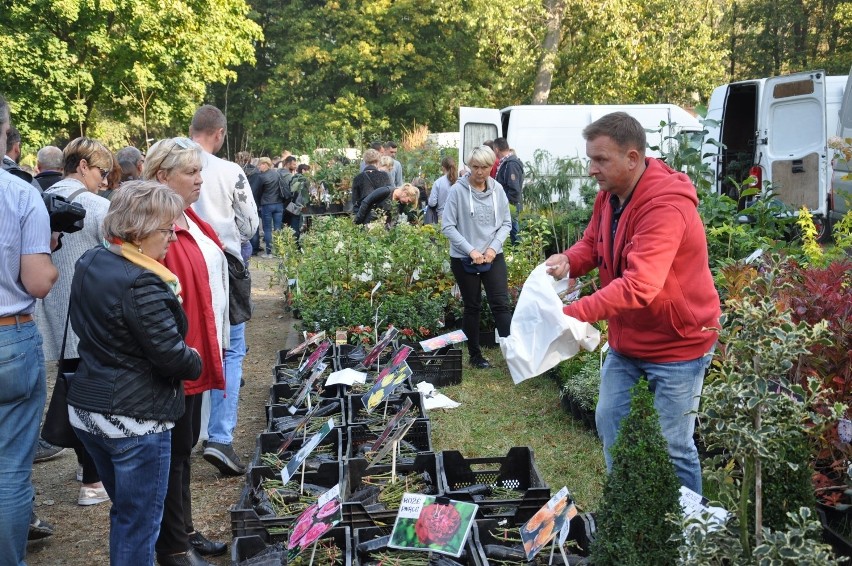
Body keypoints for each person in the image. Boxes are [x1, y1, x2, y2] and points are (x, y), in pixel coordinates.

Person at [544, 112, 721, 494]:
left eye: (601, 160)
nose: (592, 169)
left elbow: (640, 285)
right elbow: (593, 243)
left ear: (633, 157)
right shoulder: (610, 197)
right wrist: (569, 260)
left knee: (673, 446)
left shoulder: (665, 206)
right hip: (629, 341)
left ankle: (688, 534)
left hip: (678, 344)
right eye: (590, 159)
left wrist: (571, 313)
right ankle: (628, 506)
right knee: (610, 420)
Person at [68, 180, 202, 565]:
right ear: (137, 232)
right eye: (166, 229)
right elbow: (173, 358)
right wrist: (195, 358)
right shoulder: (143, 282)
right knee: (140, 522)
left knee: (127, 514)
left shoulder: (93, 260)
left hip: (91, 411)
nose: (173, 238)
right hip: (135, 419)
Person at [143, 137, 229, 565]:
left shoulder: (186, 217)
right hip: (176, 357)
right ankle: (172, 546)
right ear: (163, 176)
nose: (200, 179)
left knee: (185, 447)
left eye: (199, 171)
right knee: (174, 452)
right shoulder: (155, 227)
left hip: (194, 350)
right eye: (190, 173)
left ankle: (185, 531)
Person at [36, 136, 114, 507]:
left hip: (53, 315)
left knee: (72, 386)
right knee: (92, 398)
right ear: (82, 166)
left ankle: (87, 469)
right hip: (91, 319)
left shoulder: (37, 200)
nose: (104, 180)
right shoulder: (98, 207)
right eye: (101, 171)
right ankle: (93, 480)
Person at [0, 94, 59, 566]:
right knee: (9, 471)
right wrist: (49, 249)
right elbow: (39, 282)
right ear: (7, 133)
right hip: (9, 338)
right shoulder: (20, 195)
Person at [189, 104, 259, 477]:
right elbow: (249, 225)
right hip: (222, 264)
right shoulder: (229, 171)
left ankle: (184, 434)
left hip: (174, 262)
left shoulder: (166, 159)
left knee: (186, 345)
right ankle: (219, 436)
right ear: (219, 133)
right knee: (231, 350)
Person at [441, 145, 512, 369]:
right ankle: (475, 356)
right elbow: (448, 226)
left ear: (492, 166)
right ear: (468, 166)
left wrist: (492, 249)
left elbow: (506, 223)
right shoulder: (457, 191)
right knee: (473, 306)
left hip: (493, 255)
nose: (480, 172)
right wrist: (471, 250)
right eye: (475, 167)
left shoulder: (498, 190)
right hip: (464, 259)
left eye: (485, 167)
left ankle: (513, 355)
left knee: (500, 304)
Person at [494, 137, 524, 244]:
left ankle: (518, 253)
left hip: (510, 204)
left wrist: (508, 205)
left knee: (514, 231)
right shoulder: (507, 162)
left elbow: (514, 188)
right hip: (508, 203)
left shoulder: (511, 164)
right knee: (511, 230)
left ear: (496, 149)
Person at [255, 156, 287, 258]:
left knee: (267, 229)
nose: (259, 167)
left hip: (267, 205)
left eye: (260, 164)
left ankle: (269, 252)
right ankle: (279, 251)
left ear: (265, 165)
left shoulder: (261, 177)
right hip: (279, 204)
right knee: (278, 228)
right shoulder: (277, 174)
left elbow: (258, 192)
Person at [353, 182, 418, 226]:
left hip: (380, 230)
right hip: (367, 224)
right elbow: (366, 202)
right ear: (405, 193)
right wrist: (358, 221)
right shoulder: (385, 191)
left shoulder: (401, 204)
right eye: (408, 201)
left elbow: (394, 220)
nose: (407, 203)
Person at [351, 149, 391, 218]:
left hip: (364, 215)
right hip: (380, 214)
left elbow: (355, 200)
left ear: (365, 162)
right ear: (378, 161)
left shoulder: (358, 178)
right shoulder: (384, 176)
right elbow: (388, 196)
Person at [427, 156, 458, 224]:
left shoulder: (438, 182)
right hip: (458, 217)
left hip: (443, 217)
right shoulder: (459, 182)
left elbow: (432, 203)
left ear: (443, 168)